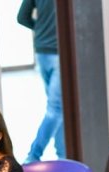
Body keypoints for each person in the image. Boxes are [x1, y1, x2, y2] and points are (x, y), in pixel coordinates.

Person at [17, 0, 65, 162]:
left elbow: (22, 17)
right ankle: (33, 156)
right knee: (56, 109)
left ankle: (63, 155)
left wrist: (40, 28)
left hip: (41, 50)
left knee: (59, 108)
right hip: (60, 51)